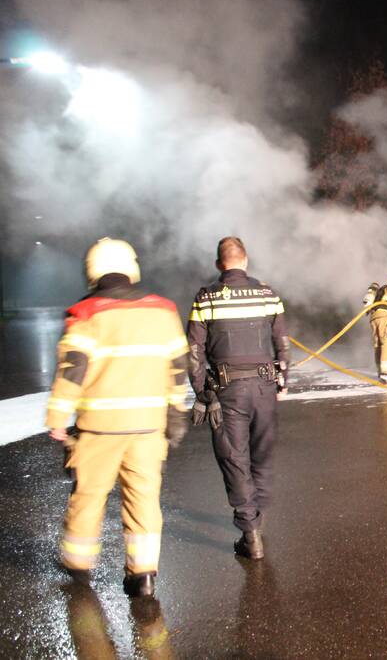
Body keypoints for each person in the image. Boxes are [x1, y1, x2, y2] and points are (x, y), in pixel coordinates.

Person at [47, 238, 189, 599]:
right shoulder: (163, 311)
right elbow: (177, 368)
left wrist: (58, 416)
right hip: (148, 426)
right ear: (131, 267)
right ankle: (142, 575)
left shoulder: (86, 314)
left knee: (90, 495)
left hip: (99, 429)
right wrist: (175, 412)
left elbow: (71, 371)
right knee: (143, 499)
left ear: (92, 271)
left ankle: (79, 567)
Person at [187, 236, 288, 560]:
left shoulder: (206, 299)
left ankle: (251, 532)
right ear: (245, 260)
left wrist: (203, 391)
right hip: (265, 388)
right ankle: (258, 521)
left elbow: (193, 352)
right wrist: (282, 383)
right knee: (263, 457)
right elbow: (282, 343)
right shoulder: (267, 293)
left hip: (228, 391)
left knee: (234, 458)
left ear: (220, 264)